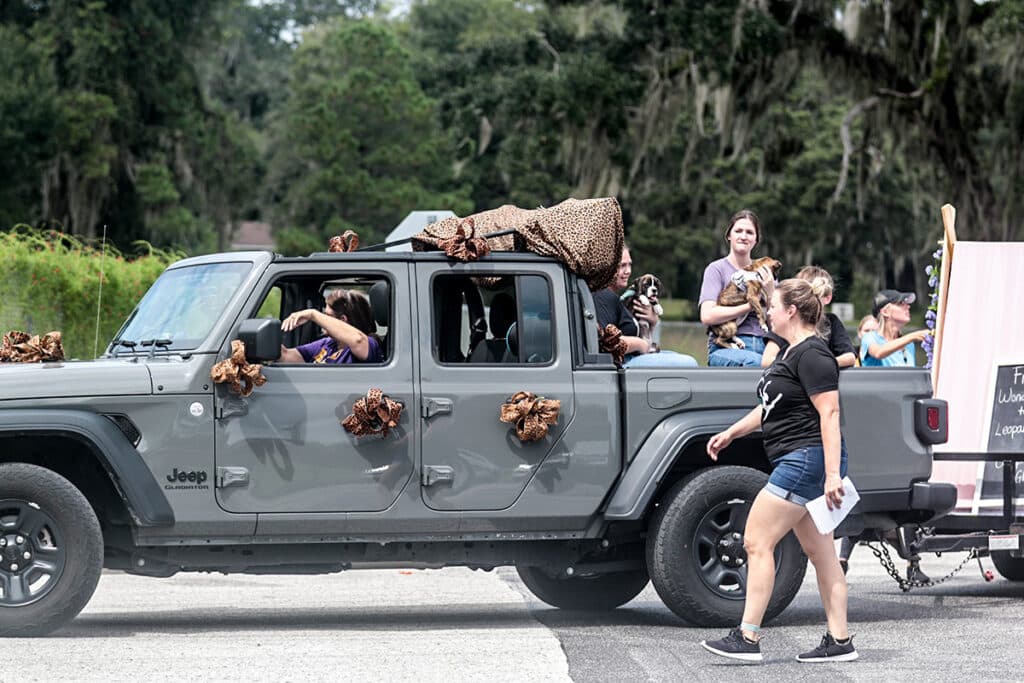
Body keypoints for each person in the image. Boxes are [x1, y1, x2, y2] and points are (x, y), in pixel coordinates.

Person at [700, 279, 857, 664]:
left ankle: (747, 637)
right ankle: (840, 642)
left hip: (805, 460)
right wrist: (731, 433)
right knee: (822, 553)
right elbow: (770, 409)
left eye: (772, 306)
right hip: (805, 460)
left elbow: (830, 413)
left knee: (755, 540)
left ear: (792, 311)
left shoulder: (813, 355)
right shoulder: (791, 354)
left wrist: (833, 474)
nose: (767, 311)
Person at [593, 245, 698, 368]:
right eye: (622, 266)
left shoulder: (619, 299)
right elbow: (609, 342)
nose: (628, 271)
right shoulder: (602, 296)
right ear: (606, 267)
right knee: (689, 363)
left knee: (676, 356)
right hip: (622, 364)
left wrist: (652, 322)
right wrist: (641, 344)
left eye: (629, 265)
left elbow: (643, 337)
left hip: (634, 356)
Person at [699, 210, 775, 367]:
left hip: (767, 345)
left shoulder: (766, 272)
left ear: (756, 239)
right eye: (738, 231)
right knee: (757, 364)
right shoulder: (716, 269)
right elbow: (707, 316)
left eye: (749, 232)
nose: (744, 236)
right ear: (729, 235)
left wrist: (770, 293)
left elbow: (778, 323)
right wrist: (749, 305)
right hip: (727, 345)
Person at [761, 266, 856, 368]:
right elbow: (766, 360)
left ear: (827, 298)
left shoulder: (831, 321)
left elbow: (850, 357)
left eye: (814, 294)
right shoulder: (786, 321)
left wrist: (821, 364)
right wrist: (800, 366)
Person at [279, 288, 383, 364]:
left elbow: (358, 340)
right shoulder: (328, 343)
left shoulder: (370, 344)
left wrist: (313, 314)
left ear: (343, 320)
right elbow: (287, 356)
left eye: (328, 316)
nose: (323, 320)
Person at [860, 289, 928, 367]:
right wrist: (913, 336)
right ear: (885, 312)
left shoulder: (909, 345)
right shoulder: (869, 337)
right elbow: (878, 352)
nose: (908, 306)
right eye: (900, 304)